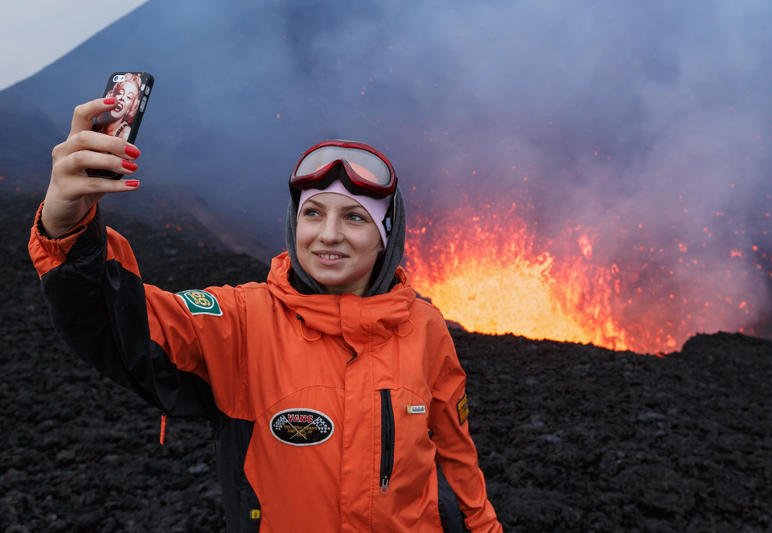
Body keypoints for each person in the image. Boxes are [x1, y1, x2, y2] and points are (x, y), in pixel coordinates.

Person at [29, 97, 502, 532]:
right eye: (313, 214)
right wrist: (67, 223)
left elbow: (456, 457)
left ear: (387, 236)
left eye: (355, 217)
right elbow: (121, 324)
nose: (329, 235)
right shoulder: (243, 321)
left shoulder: (424, 326)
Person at [97, 72, 142, 140]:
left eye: (129, 97)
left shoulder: (126, 134)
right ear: (113, 95)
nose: (122, 98)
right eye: (120, 93)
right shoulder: (98, 126)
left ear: (130, 109)